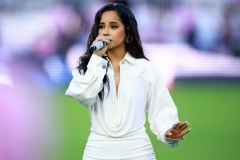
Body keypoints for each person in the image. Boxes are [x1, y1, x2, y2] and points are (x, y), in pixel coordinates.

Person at [65, 3, 191, 160]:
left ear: (127, 31)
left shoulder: (145, 69)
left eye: (113, 26)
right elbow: (84, 96)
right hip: (97, 153)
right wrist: (96, 59)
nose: (106, 31)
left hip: (138, 153)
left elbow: (161, 111)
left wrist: (168, 132)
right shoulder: (89, 66)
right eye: (102, 26)